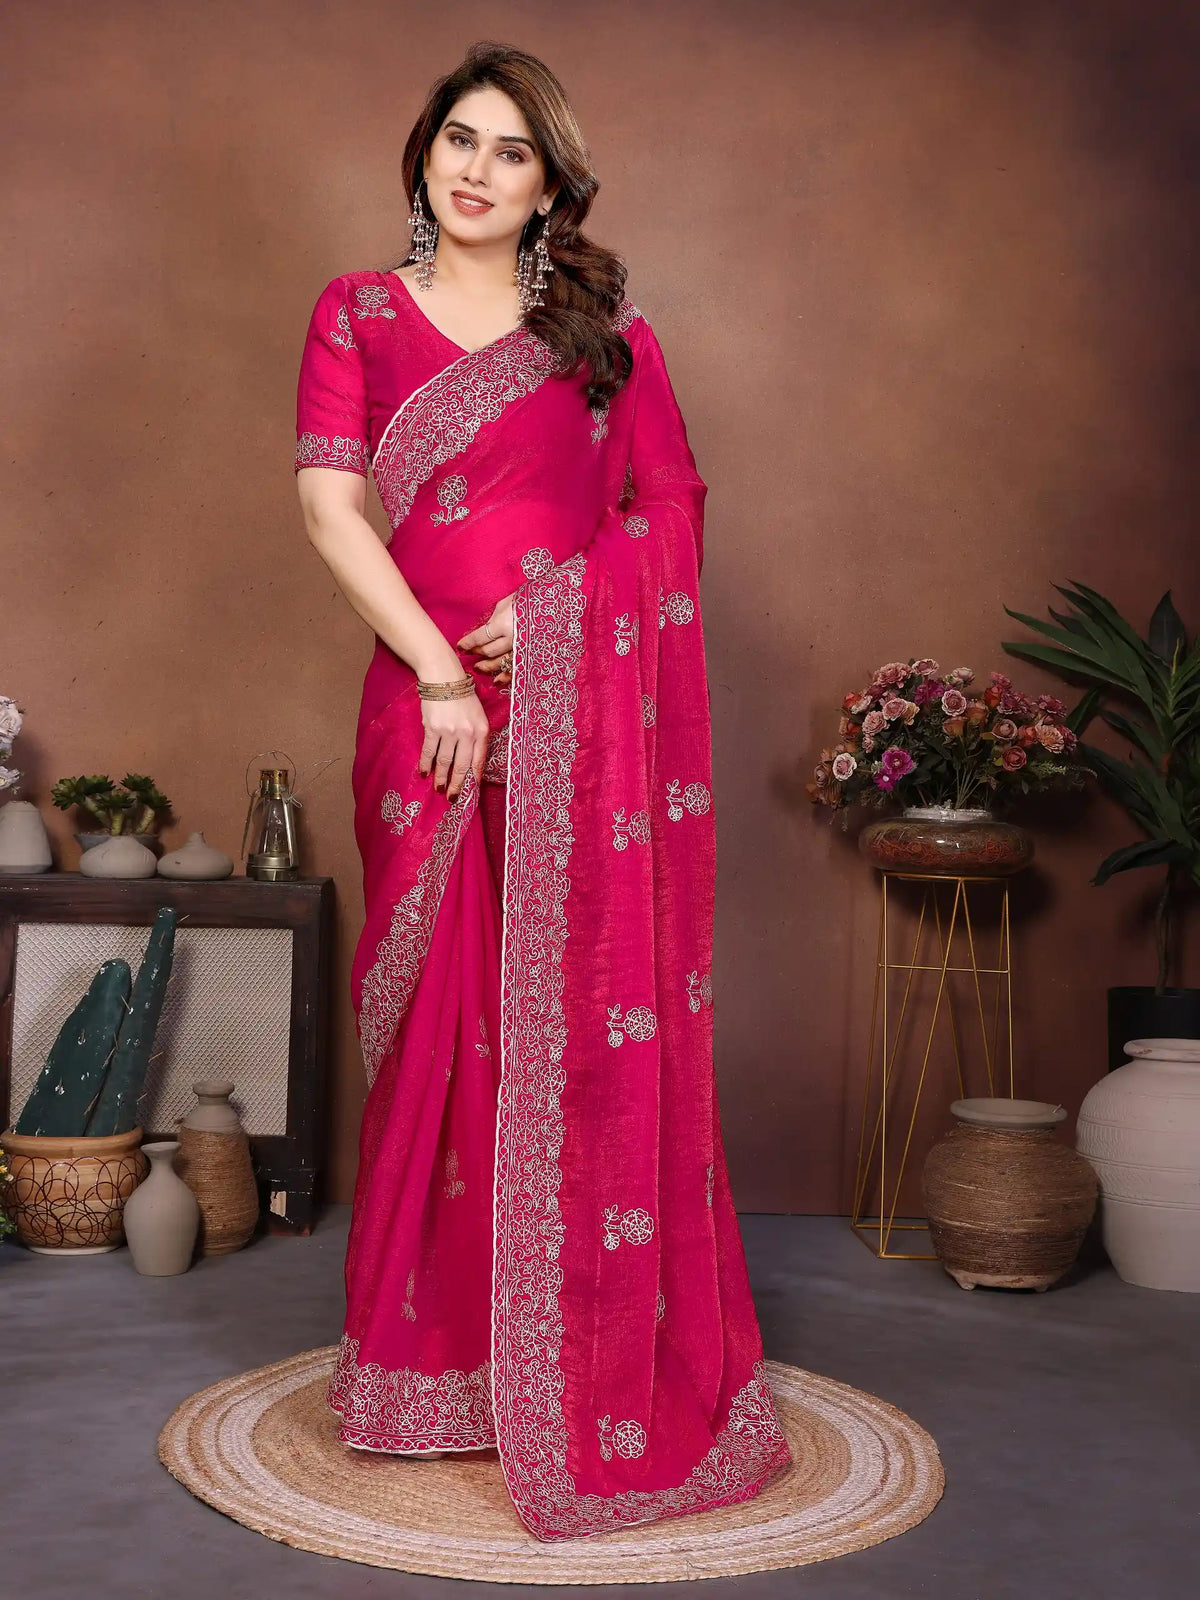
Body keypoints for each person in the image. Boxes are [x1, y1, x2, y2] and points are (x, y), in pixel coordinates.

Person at [294, 40, 790, 1543]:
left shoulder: (601, 331)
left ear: (552, 183)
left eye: (513, 151)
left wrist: (566, 608)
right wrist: (445, 670)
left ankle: (563, 1352)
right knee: (447, 1024)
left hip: (583, 725)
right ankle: (425, 1365)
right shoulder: (360, 312)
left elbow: (671, 508)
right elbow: (329, 506)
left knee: (563, 1015)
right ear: (422, 152)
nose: (478, 169)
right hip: (426, 717)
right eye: (461, 138)